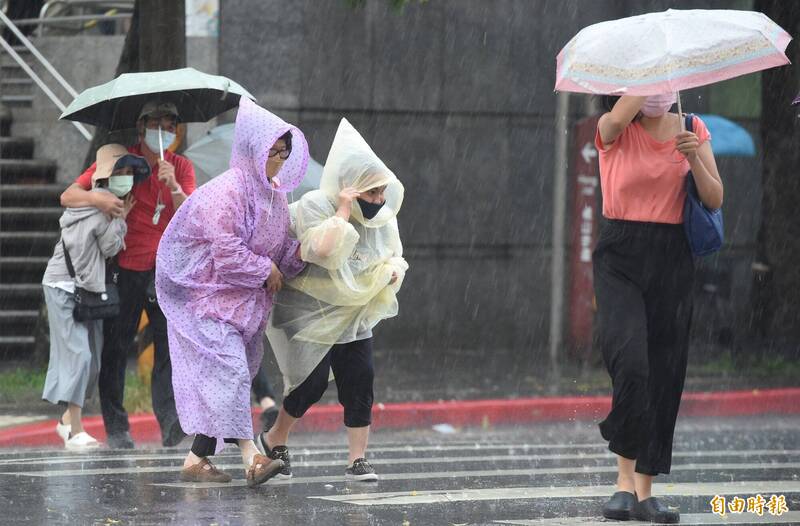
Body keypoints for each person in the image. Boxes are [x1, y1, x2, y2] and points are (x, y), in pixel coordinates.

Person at [155, 97, 309, 485]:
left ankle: (195, 460)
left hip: (246, 307)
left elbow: (280, 248)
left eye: (284, 153)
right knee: (232, 374)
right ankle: (252, 458)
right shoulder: (228, 191)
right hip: (206, 300)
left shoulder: (275, 194)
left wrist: (305, 253)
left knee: (227, 379)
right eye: (272, 151)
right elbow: (227, 252)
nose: (277, 159)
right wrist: (266, 269)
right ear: (254, 148)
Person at [594, 94, 723, 524]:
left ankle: (645, 492)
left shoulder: (692, 126)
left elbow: (715, 197)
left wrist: (695, 158)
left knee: (665, 372)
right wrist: (640, 82)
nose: (658, 89)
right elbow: (614, 122)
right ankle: (622, 482)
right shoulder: (615, 126)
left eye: (665, 79)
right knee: (631, 364)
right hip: (621, 257)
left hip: (672, 258)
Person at [263, 118, 408, 482]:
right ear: (349, 187)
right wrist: (343, 212)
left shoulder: (382, 220)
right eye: (369, 193)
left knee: (360, 380)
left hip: (355, 316)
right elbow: (323, 251)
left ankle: (357, 459)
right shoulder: (316, 205)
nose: (376, 201)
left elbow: (395, 255)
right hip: (309, 314)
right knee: (309, 384)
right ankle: (275, 437)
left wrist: (392, 272)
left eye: (380, 194)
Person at [59, 101, 196, 449]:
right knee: (117, 348)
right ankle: (117, 427)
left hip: (166, 269)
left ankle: (170, 422)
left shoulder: (181, 166)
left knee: (168, 347)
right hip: (125, 268)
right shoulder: (123, 162)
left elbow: (193, 215)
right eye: (155, 124)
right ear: (140, 128)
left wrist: (175, 186)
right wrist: (99, 201)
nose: (162, 131)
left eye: (169, 126)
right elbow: (69, 195)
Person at [42, 144, 146, 450]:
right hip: (66, 286)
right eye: (120, 172)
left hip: (88, 291)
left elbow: (109, 248)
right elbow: (82, 250)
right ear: (104, 176)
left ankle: (65, 421)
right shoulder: (90, 203)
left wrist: (120, 218)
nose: (126, 178)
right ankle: (74, 430)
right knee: (81, 355)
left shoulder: (111, 205)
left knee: (94, 360)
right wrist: (111, 214)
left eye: (129, 173)